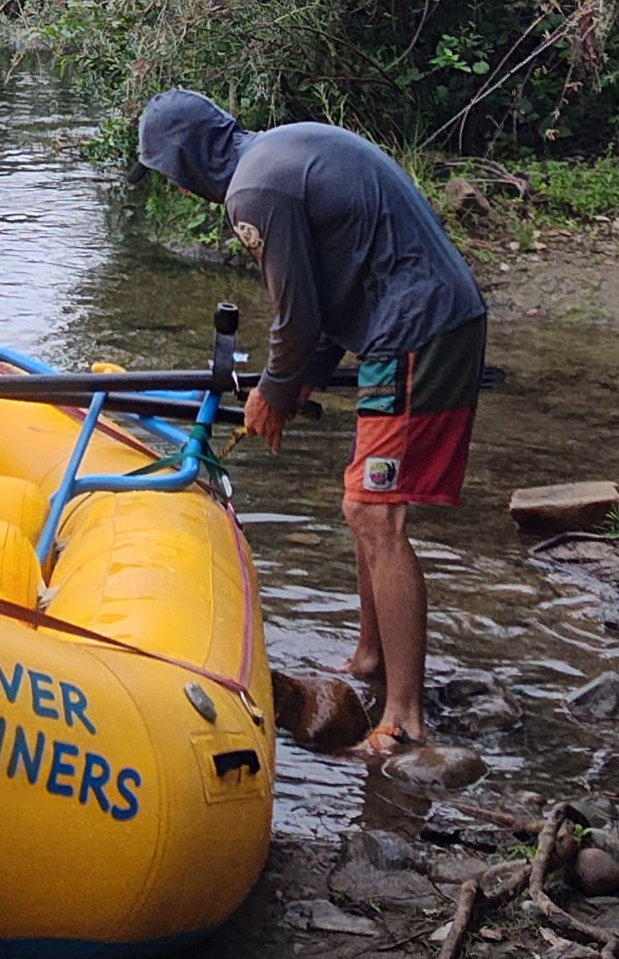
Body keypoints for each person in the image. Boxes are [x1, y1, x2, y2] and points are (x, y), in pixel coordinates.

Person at [134, 89, 487, 754]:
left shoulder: (253, 194)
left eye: (171, 178)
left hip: (416, 331)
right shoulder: (275, 154)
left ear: (183, 170)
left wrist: (273, 388)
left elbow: (296, 318)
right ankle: (368, 659)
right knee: (364, 504)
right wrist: (297, 383)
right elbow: (326, 304)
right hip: (410, 324)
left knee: (375, 513)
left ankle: (405, 717)